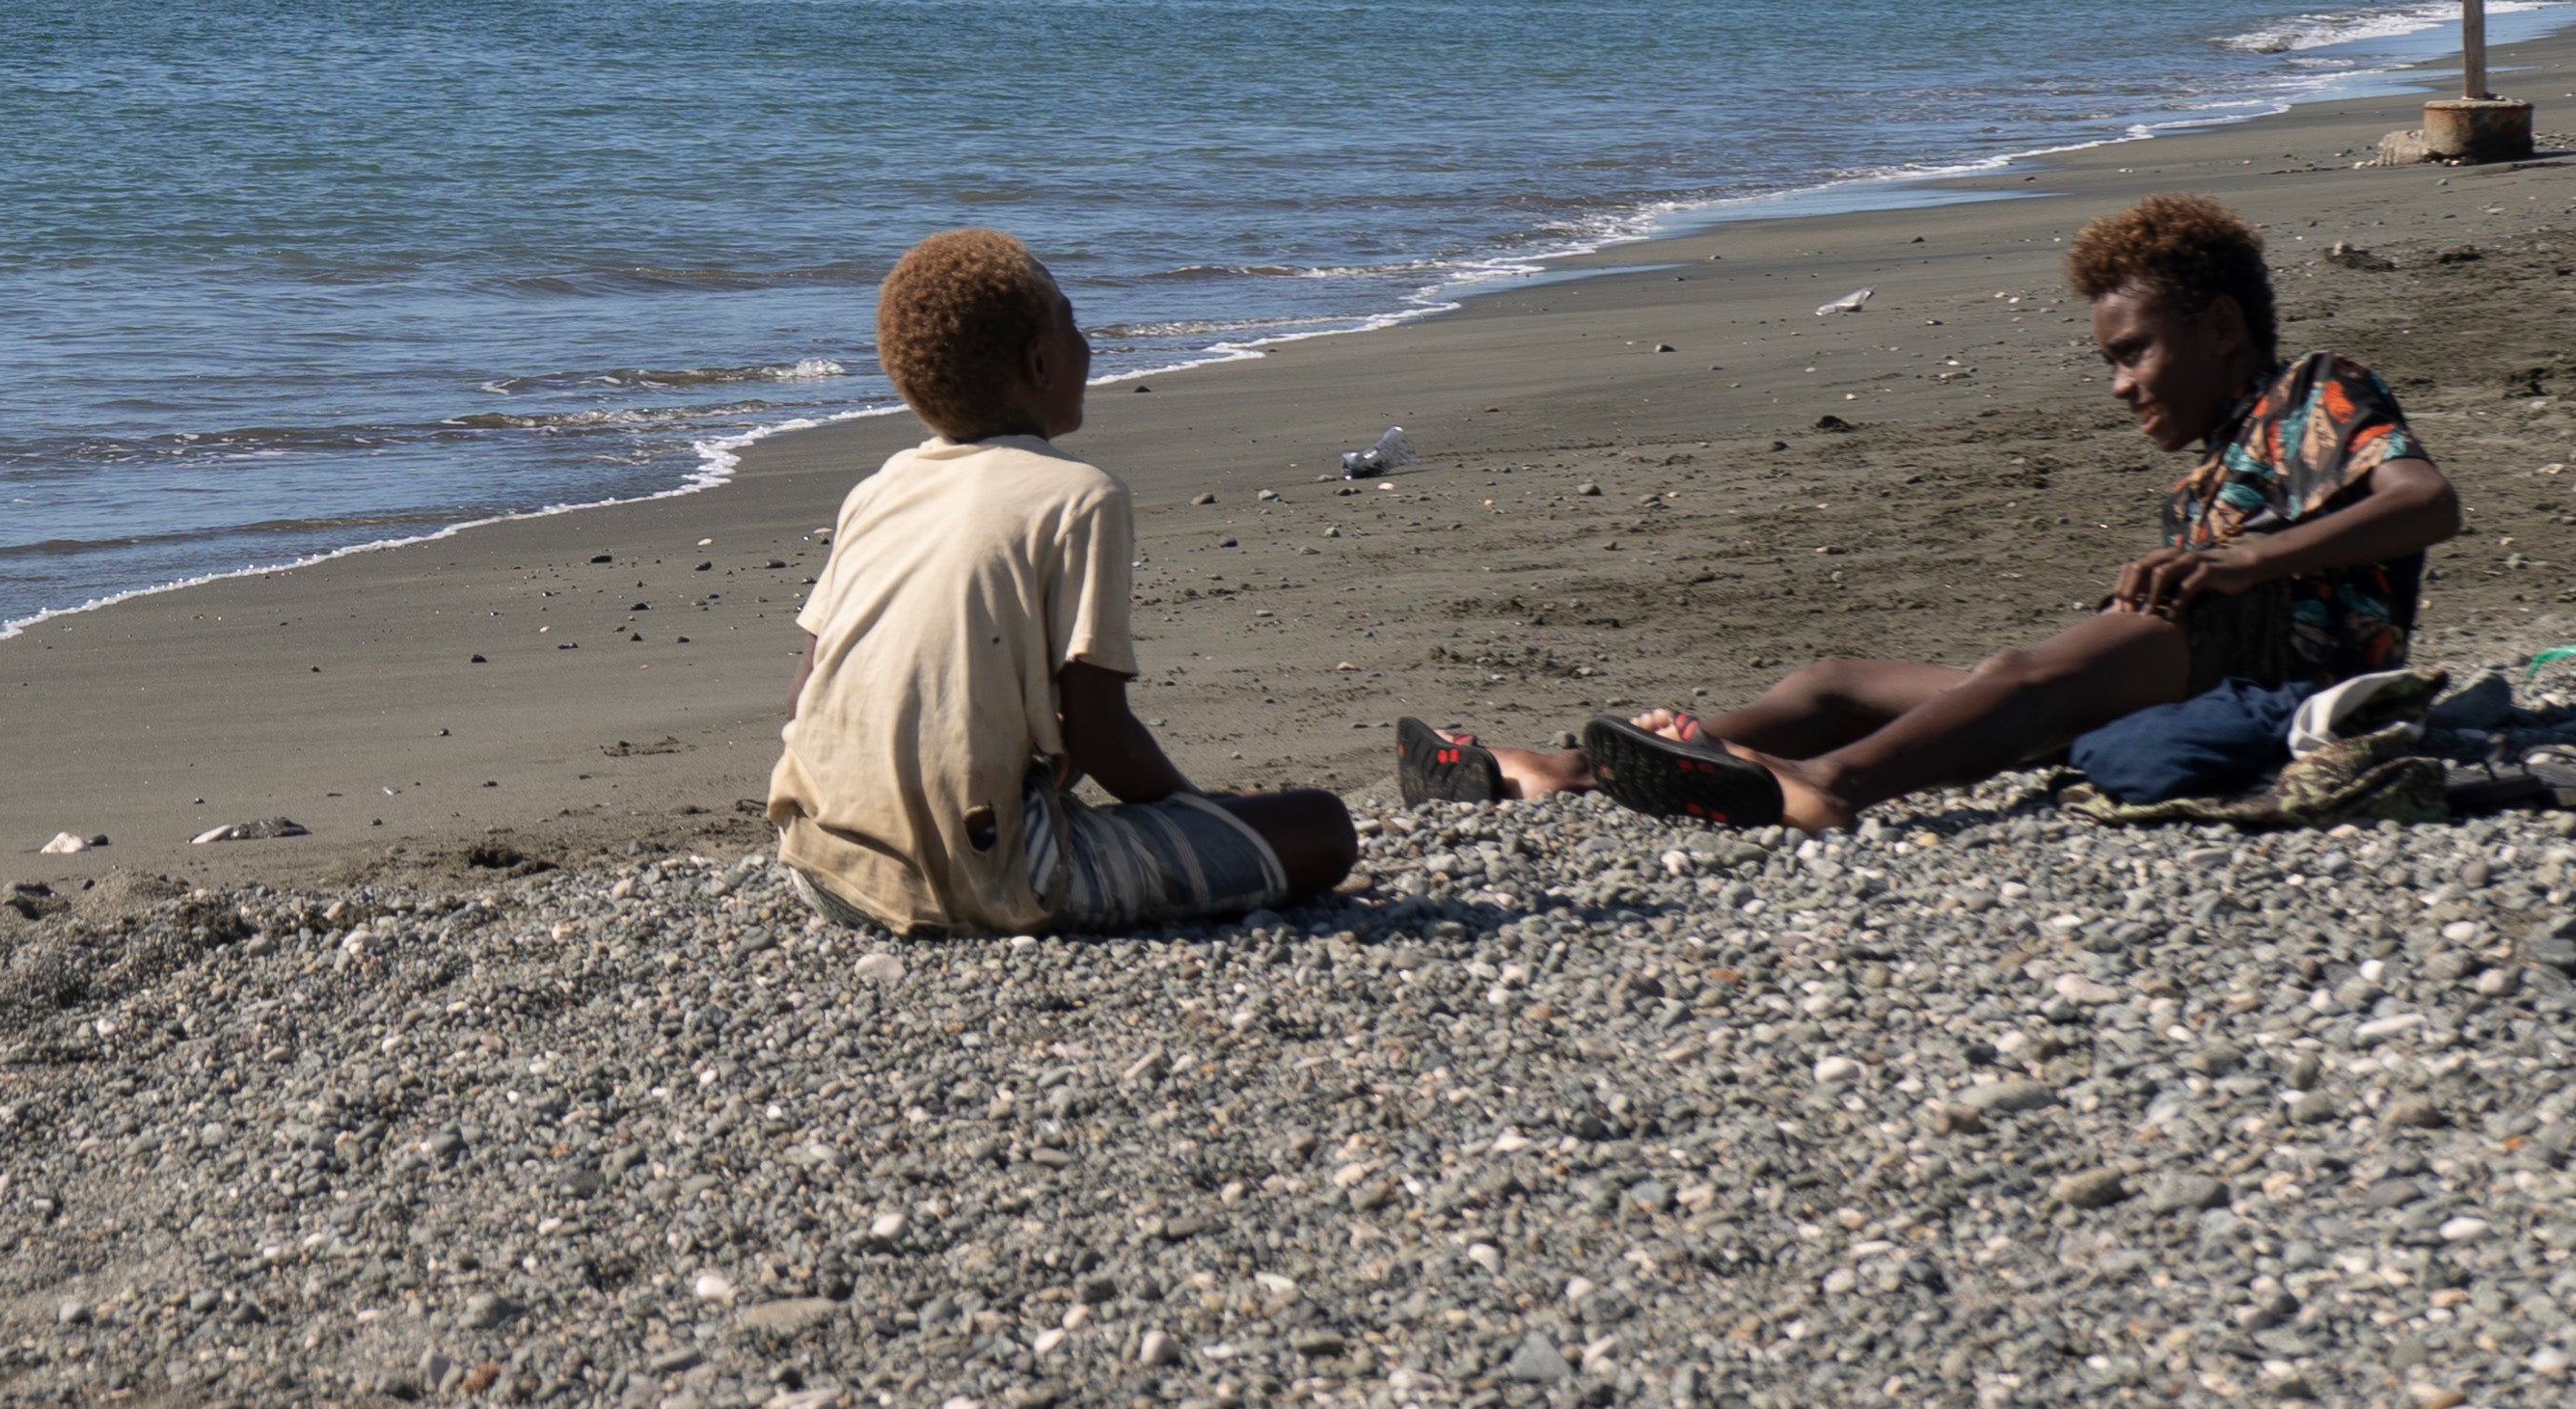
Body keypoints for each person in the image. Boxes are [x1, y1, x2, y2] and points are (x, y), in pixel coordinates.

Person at [1395, 194, 2458, 834]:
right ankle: (1567, 774)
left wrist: (2244, 564)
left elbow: (2423, 502)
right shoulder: (2209, 470)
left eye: (2131, 354)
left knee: (2026, 675)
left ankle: (1828, 785)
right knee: (1834, 679)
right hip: (2193, 670)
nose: (2119, 385)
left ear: (2221, 327)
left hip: (2283, 674)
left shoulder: (2313, 390)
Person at [769, 228, 1360, 933]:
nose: (1089, 344)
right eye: (1073, 323)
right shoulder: (1079, 497)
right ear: (1041, 362)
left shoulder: (878, 488)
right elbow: (1099, 732)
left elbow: (804, 693)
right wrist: (1198, 811)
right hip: (987, 880)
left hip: (820, 864)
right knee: (1322, 825)